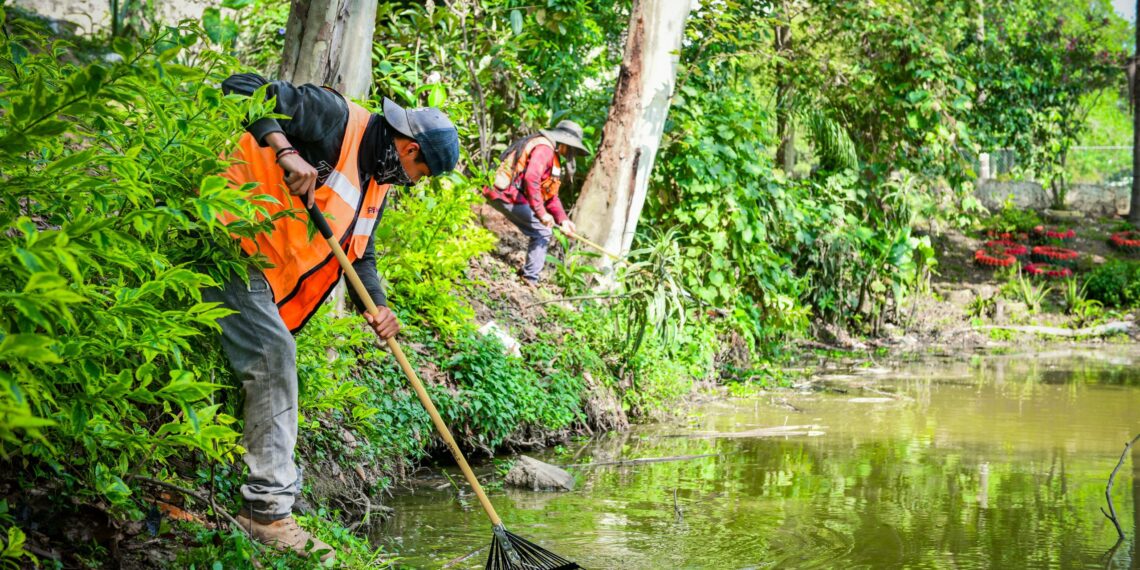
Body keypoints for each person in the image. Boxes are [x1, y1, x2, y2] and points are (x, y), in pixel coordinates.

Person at [209, 73, 459, 560]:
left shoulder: (378, 185)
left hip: (261, 268)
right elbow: (241, 86)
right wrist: (284, 150)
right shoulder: (335, 118)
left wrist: (379, 305)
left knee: (275, 353)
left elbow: (359, 255)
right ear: (409, 149)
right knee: (274, 354)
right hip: (225, 236)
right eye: (421, 173)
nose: (413, 183)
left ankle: (266, 495)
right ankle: (267, 513)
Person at [482, 120, 589, 285]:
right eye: (572, 149)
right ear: (564, 143)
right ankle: (530, 279)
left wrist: (564, 220)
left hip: (510, 195)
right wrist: (541, 213)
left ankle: (529, 276)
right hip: (506, 194)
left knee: (542, 230)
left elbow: (551, 197)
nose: (571, 154)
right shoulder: (545, 149)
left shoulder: (552, 155)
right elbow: (531, 178)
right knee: (543, 232)